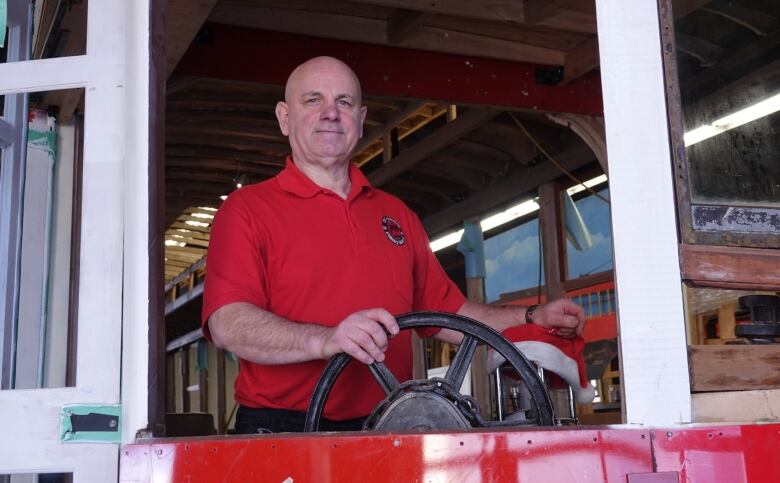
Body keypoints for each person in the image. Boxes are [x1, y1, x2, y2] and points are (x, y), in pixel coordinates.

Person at [202, 56, 585, 434]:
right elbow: (228, 324)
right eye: (313, 100)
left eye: (344, 102)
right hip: (282, 431)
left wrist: (531, 318)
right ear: (285, 118)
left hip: (391, 425)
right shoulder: (246, 210)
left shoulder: (396, 215)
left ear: (361, 118)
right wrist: (325, 339)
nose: (331, 113)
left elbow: (450, 316)